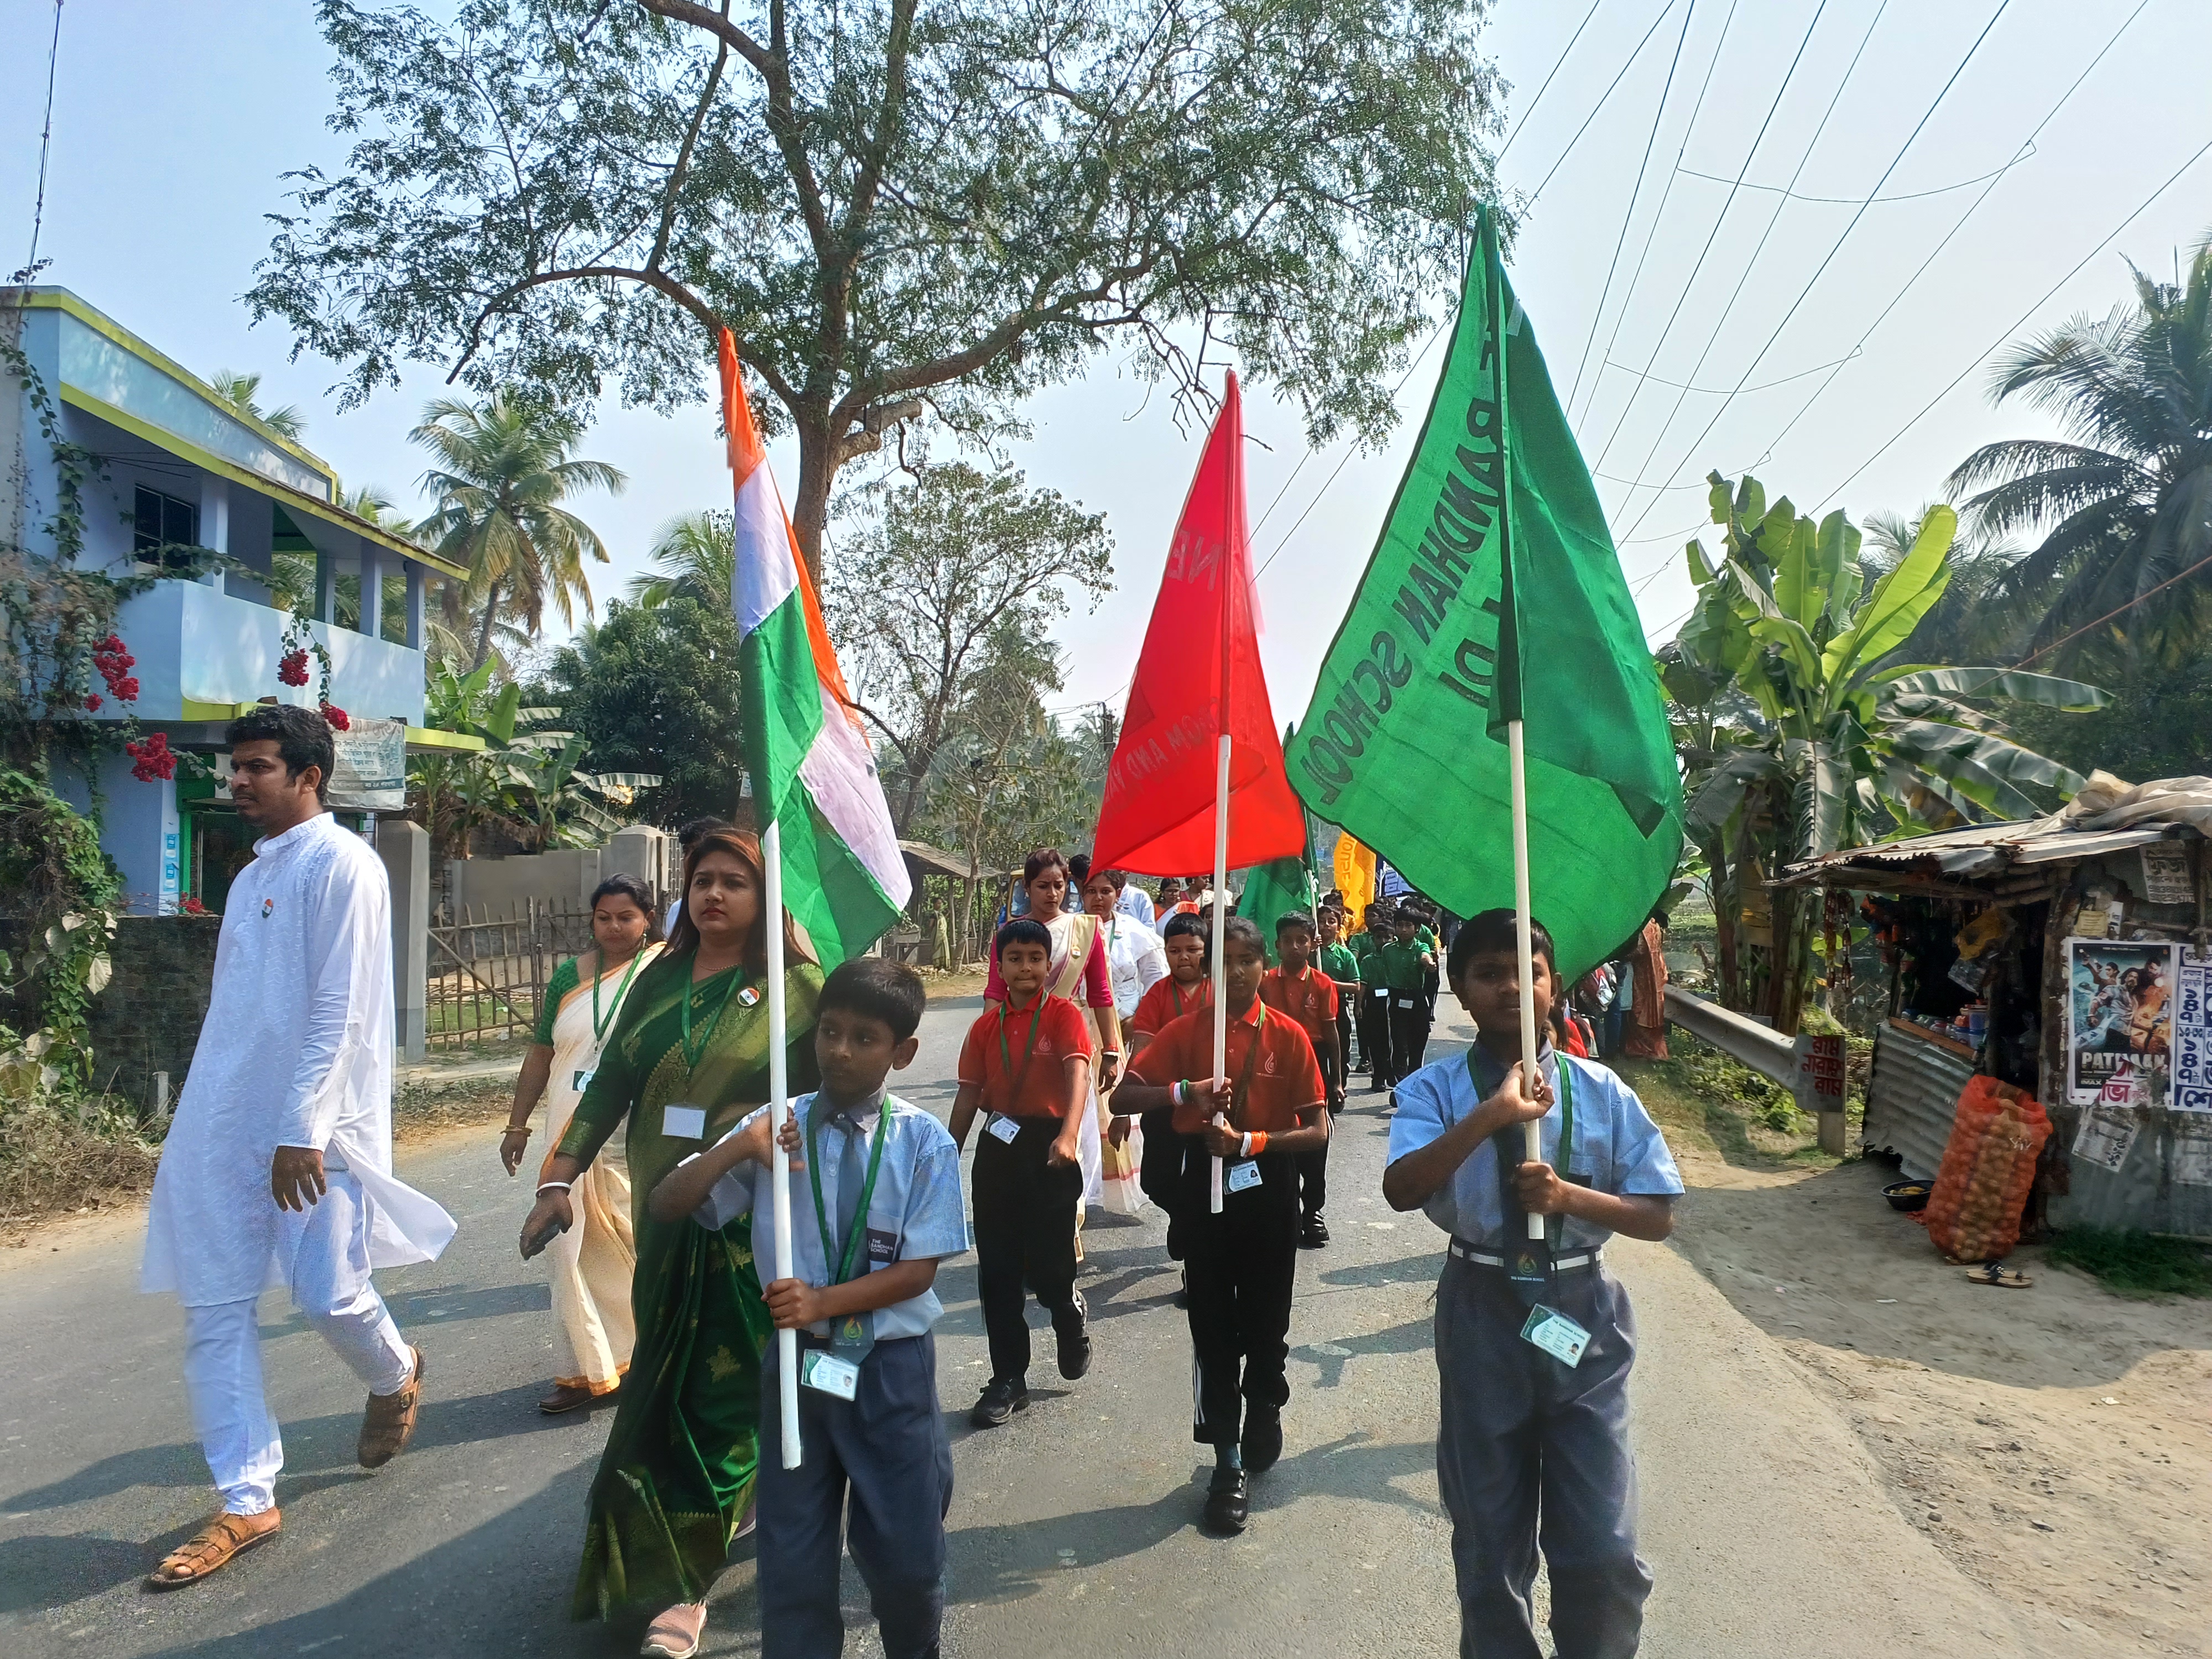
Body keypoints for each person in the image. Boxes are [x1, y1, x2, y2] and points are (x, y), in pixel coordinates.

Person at [141, 704, 451, 1588]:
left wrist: (301, 1129)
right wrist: (211, 1120)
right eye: (236, 766)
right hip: (222, 1119)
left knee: (328, 1296)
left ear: (310, 776)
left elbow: (340, 1009)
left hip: (318, 1132)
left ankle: (394, 1372)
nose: (237, 780)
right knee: (215, 1308)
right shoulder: (250, 877)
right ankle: (246, 1498)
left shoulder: (345, 865)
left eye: (258, 767)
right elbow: (239, 1014)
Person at [520, 828, 823, 1658]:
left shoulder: (798, 989)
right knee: (664, 1386)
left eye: (735, 881)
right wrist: (557, 1180)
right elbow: (610, 1082)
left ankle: (683, 1586)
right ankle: (710, 1513)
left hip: (748, 1230)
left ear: (766, 897)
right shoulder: (657, 978)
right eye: (702, 880)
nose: (714, 894)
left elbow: (834, 1099)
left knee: (720, 1397)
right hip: (664, 1221)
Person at [1383, 910, 1684, 1659]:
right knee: (1488, 1542)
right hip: (1482, 1308)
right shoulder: (1433, 1090)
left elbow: (1657, 1216)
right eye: (1488, 974)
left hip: (1581, 1312)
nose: (1511, 988)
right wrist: (1492, 1115)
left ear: (1557, 985)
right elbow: (1401, 1188)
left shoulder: (1603, 1091)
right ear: (1460, 988)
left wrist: (1568, 1197)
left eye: (1529, 973)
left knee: (1604, 1548)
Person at [648, 958, 966, 1659]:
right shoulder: (774, 1126)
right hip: (796, 1367)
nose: (840, 1051)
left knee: (907, 1557)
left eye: (864, 1038)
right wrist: (740, 1146)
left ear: (903, 1052)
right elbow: (668, 1204)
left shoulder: (922, 1142)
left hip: (887, 1368)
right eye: (829, 1031)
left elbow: (917, 1272)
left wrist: (822, 1301)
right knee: (791, 1556)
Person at [1118, 916, 1329, 1535]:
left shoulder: (1288, 1035)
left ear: (1264, 966)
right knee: (1211, 1326)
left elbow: (1317, 1130)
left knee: (1267, 1320)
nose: (1235, 972)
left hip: (1267, 1185)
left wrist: (1251, 1142)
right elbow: (1124, 1097)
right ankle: (1226, 1462)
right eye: (1224, 961)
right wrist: (1183, 1092)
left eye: (1246, 960)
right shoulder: (1186, 1031)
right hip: (1203, 1186)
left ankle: (1265, 1397)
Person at [500, 874, 664, 1413]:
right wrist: (517, 1126)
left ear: (647, 920)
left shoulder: (665, 969)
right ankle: (585, 1369)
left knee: (635, 1240)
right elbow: (541, 1052)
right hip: (570, 1127)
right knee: (569, 1246)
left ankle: (648, 1356)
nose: (614, 928)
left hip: (637, 1126)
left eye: (626, 917)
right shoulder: (570, 976)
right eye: (604, 918)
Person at [951, 919, 1095, 1427]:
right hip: (999, 1143)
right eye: (1015, 958)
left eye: (1035, 958)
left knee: (1051, 1267)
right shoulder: (984, 1027)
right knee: (998, 1270)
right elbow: (969, 1093)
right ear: (1000, 965)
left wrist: (1069, 1135)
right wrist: (946, 1153)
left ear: (1047, 964)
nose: (1026, 967)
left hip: (1052, 1147)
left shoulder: (1063, 1015)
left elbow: (1078, 1074)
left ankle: (1068, 1314)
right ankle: (1008, 1378)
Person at [980, 847, 1123, 1230]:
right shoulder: (1010, 935)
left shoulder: (1086, 930)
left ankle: (1067, 1231)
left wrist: (1111, 1051)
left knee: (1070, 1130)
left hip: (1069, 1040)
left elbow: (1101, 994)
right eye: (1043, 886)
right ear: (1027, 888)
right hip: (1018, 1040)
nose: (1052, 894)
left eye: (1059, 885)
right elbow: (995, 993)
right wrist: (991, 1046)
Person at [1084, 867, 1167, 1214]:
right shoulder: (1073, 931)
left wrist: (1139, 1020)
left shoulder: (1136, 933)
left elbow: (1157, 983)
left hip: (1128, 1031)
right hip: (1082, 1033)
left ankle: (1121, 1190)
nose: (1098, 899)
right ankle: (1083, 1192)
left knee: (1120, 1107)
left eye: (1106, 891)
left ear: (1118, 895)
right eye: (1091, 891)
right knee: (1086, 1114)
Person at [1260, 911, 1344, 1248]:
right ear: (1277, 945)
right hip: (1275, 1062)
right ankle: (1287, 1210)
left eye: (1302, 941)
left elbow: (1332, 1034)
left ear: (1313, 944)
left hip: (1315, 1060)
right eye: (1288, 941)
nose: (1295, 947)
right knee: (1278, 1135)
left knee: (1315, 1141)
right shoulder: (1265, 982)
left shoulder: (1323, 984)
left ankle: (1313, 1211)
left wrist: (1337, 1081)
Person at [1126, 910, 1212, 1056]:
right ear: (1165, 952)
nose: (1184, 957)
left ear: (1206, 951)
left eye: (1193, 950)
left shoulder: (1220, 989)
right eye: (1175, 951)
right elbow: (1141, 1051)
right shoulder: (1157, 994)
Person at [1380, 907, 1437, 1088]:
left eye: (1408, 925)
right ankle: (1401, 1085)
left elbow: (1425, 956)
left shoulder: (1420, 947)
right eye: (1400, 925)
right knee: (1399, 1046)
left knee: (1418, 1046)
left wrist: (1429, 964)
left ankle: (1414, 1083)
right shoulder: (1387, 950)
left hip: (1417, 999)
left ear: (1417, 928)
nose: (1404, 930)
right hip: (1396, 999)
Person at [661, 816, 733, 937]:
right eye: (687, 851)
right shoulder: (677, 910)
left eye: (699, 851)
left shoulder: (742, 908)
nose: (691, 858)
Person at [1354, 901, 1396, 1091]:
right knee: (1376, 1040)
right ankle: (1378, 1077)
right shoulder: (1368, 961)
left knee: (1394, 1041)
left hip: (1393, 1000)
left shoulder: (1396, 956)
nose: (1383, 941)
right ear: (1373, 939)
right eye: (1379, 938)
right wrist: (1358, 1005)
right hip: (1374, 1002)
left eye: (1387, 937)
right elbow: (1363, 984)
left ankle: (1393, 1075)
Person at [1318, 907, 1362, 1078]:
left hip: (1338, 1007)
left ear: (1339, 927)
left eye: (1331, 921)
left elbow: (1355, 986)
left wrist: (1327, 984)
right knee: (1318, 1055)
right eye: (1322, 921)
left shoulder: (1345, 955)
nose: (1326, 925)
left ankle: (1339, 1085)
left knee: (1341, 1052)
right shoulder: (1310, 952)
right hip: (1313, 1009)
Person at [1623, 913, 1670, 1060]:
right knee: (1652, 1010)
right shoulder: (1656, 925)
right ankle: (1656, 1050)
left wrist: (1622, 956)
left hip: (1644, 976)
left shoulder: (1645, 926)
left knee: (1639, 1010)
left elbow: (1640, 950)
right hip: (1655, 974)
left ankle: (1644, 1049)